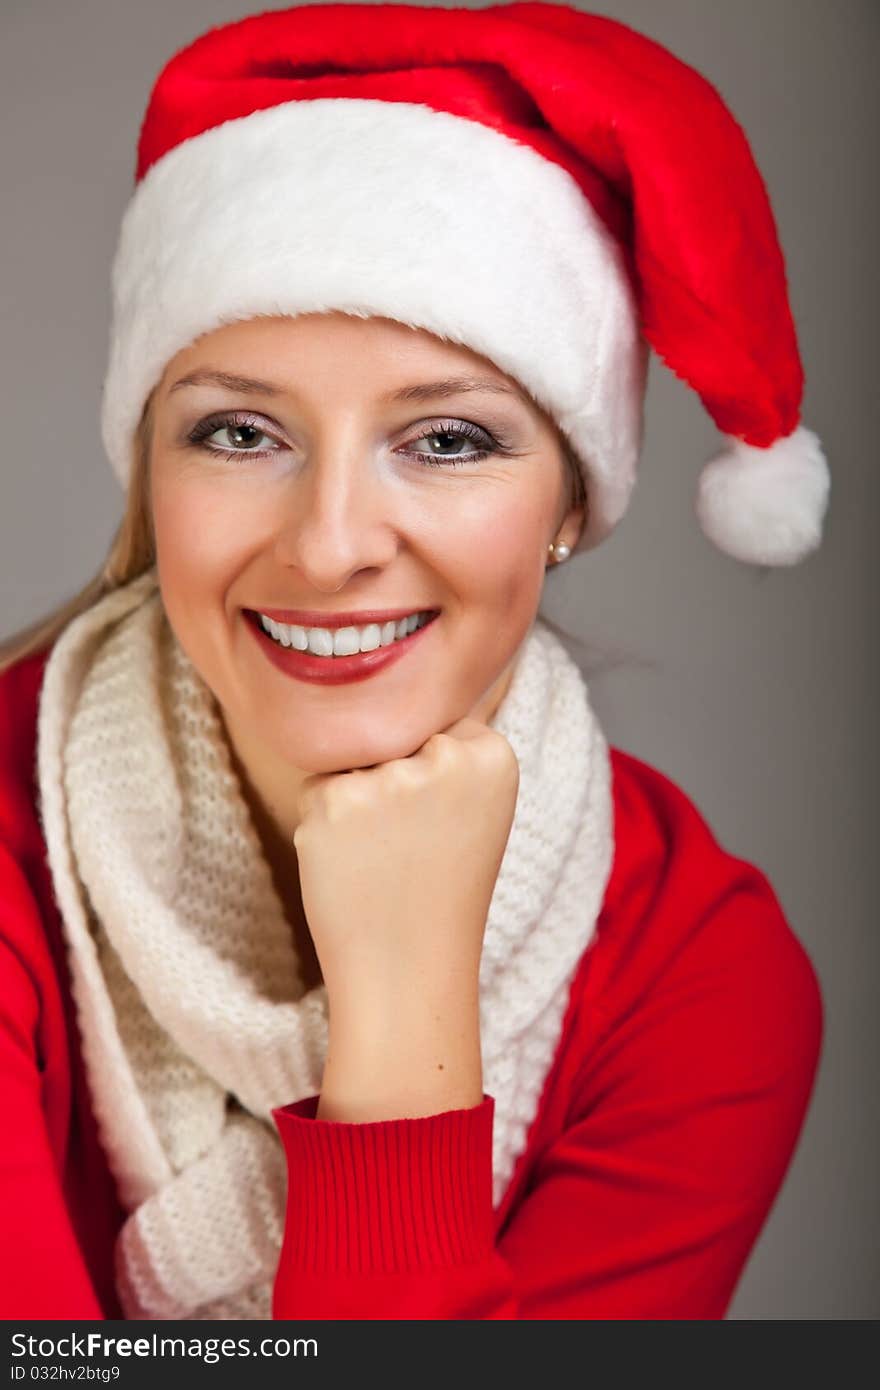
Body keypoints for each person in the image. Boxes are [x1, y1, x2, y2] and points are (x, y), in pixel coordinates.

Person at [0, 1, 830, 1321]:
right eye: (237, 433)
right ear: (147, 467)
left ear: (571, 502)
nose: (330, 546)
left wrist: (403, 1010)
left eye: (446, 440)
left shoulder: (703, 981)